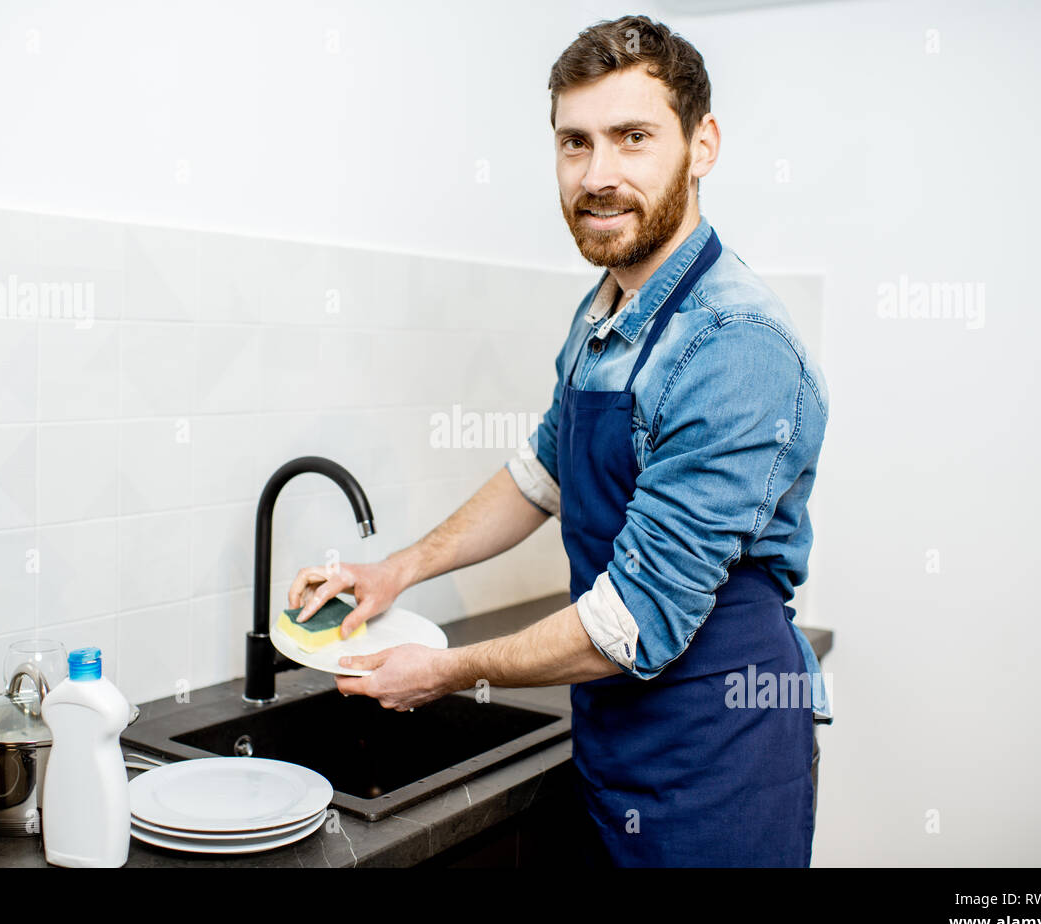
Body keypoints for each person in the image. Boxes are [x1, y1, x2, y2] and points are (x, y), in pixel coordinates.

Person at [287, 14, 832, 867]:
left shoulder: (735, 345)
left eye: (633, 138)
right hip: (616, 740)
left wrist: (441, 671)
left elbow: (632, 622)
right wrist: (398, 570)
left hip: (718, 758)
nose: (599, 174)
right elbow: (541, 474)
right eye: (575, 143)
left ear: (703, 144)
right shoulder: (606, 308)